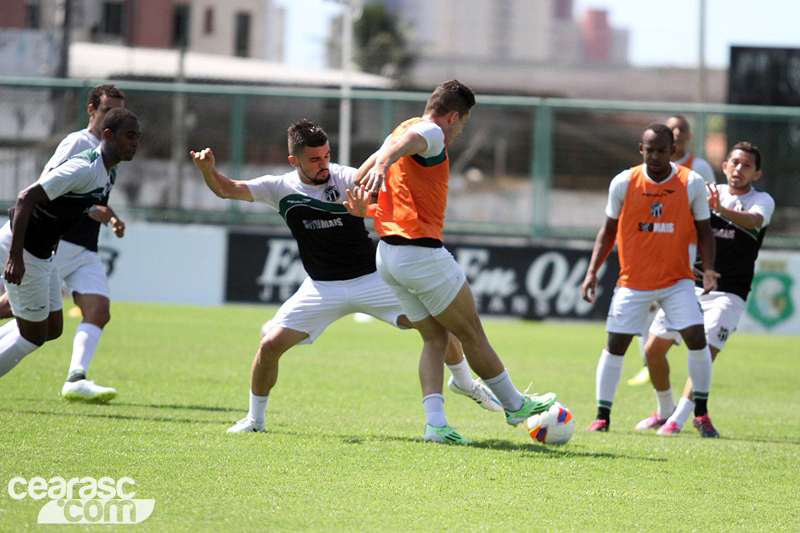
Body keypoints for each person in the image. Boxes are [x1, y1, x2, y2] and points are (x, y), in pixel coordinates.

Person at [189, 119, 502, 435]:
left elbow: (396, 207)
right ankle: (255, 420)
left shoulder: (349, 178)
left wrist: (368, 208)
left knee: (437, 327)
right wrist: (207, 171)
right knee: (270, 344)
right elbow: (227, 189)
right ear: (293, 161)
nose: (324, 164)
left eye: (326, 156)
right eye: (314, 159)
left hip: (372, 280)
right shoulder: (279, 188)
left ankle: (464, 383)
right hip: (322, 287)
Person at [350, 80, 556, 445]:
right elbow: (406, 146)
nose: (460, 131)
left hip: (388, 255)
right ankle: (514, 405)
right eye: (463, 124)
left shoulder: (403, 127)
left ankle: (436, 426)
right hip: (420, 252)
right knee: (471, 333)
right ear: (453, 116)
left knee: (434, 338)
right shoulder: (430, 131)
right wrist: (382, 164)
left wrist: (367, 179)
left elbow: (372, 165)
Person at [582, 123, 719, 434]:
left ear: (673, 151)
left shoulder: (691, 182)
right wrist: (593, 272)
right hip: (633, 281)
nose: (655, 155)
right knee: (616, 343)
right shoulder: (623, 182)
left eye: (661, 150)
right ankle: (602, 416)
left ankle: (701, 412)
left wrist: (708, 268)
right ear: (640, 150)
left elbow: (705, 231)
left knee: (697, 338)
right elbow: (607, 232)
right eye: (650, 149)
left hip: (677, 280)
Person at [635, 142, 774, 437]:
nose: (739, 169)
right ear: (724, 166)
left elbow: (754, 222)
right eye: (734, 162)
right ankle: (665, 411)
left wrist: (720, 210)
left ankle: (681, 419)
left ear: (757, 173)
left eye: (747, 165)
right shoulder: (706, 191)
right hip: (688, 286)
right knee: (652, 352)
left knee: (704, 353)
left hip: (729, 293)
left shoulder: (761, 200)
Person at [0, 84, 126, 403]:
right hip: (48, 241)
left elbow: (81, 199)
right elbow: (40, 189)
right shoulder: (80, 145)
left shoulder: (107, 157)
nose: (114, 116)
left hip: (74, 244)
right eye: (108, 109)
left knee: (82, 315)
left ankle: (76, 378)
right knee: (31, 325)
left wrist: (106, 214)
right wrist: (19, 252)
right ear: (91, 110)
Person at [627, 114, 717, 386]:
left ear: (687, 137)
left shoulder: (698, 167)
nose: (677, 132)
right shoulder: (643, 172)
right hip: (651, 245)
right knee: (648, 304)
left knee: (677, 306)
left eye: (682, 129)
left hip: (685, 246)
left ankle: (678, 359)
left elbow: (709, 205)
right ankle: (649, 360)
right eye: (672, 128)